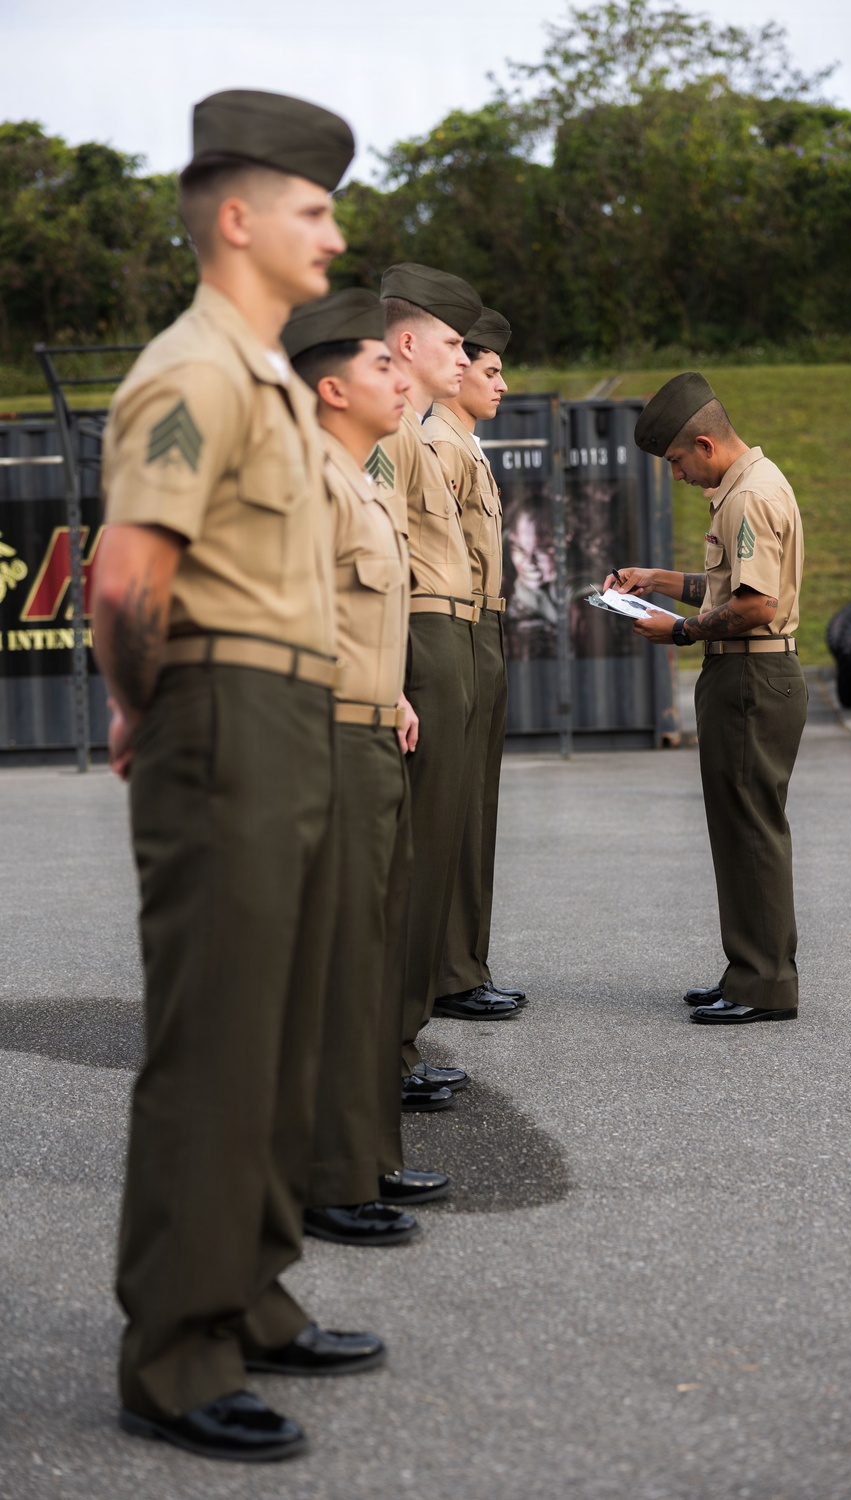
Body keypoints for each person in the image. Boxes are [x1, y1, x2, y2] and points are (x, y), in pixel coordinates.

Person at [92, 90, 383, 1464]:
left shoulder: (261, 372)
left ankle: (252, 1292)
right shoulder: (193, 371)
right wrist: (155, 714)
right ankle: (175, 1350)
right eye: (316, 211)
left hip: (288, 717)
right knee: (216, 1043)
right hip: (226, 719)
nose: (333, 237)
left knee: (277, 1029)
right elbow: (126, 578)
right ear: (238, 218)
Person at [282, 288, 450, 1249]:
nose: (404, 376)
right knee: (338, 970)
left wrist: (389, 692)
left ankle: (364, 1156)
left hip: (371, 734)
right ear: (334, 387)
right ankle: (328, 1176)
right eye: (383, 366)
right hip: (327, 747)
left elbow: (350, 620)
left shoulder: (359, 479)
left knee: (371, 961)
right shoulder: (310, 483)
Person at [604, 371, 806, 1025]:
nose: (678, 475)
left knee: (751, 831)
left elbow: (755, 606)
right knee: (742, 828)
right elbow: (729, 587)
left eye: (675, 461)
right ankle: (749, 971)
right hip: (747, 676)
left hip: (750, 677)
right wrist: (658, 580)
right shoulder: (751, 484)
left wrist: (679, 631)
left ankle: (763, 983)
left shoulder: (747, 498)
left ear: (703, 443)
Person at [375, 263, 519, 1112]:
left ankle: (399, 1036)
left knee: (441, 839)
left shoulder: (425, 434)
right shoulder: (409, 434)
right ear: (408, 344)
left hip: (456, 626)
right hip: (432, 631)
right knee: (417, 851)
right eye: (457, 344)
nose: (468, 361)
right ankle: (387, 1044)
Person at [423, 308, 527, 1017]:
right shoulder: (439, 444)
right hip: (457, 627)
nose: (501, 384)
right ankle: (450, 971)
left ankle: (467, 961)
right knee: (453, 811)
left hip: (482, 626)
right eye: (489, 369)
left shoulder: (465, 445)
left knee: (476, 808)